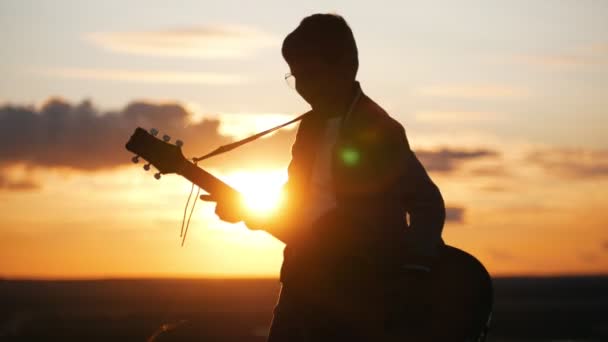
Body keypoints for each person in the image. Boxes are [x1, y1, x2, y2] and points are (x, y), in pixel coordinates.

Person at [212, 13, 446, 341]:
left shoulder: (378, 129)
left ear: (343, 66)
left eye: (309, 73)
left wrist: (412, 270)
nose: (302, 86)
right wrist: (246, 212)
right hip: (302, 284)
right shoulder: (309, 130)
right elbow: (295, 206)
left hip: (363, 297)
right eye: (294, 76)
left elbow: (427, 203)